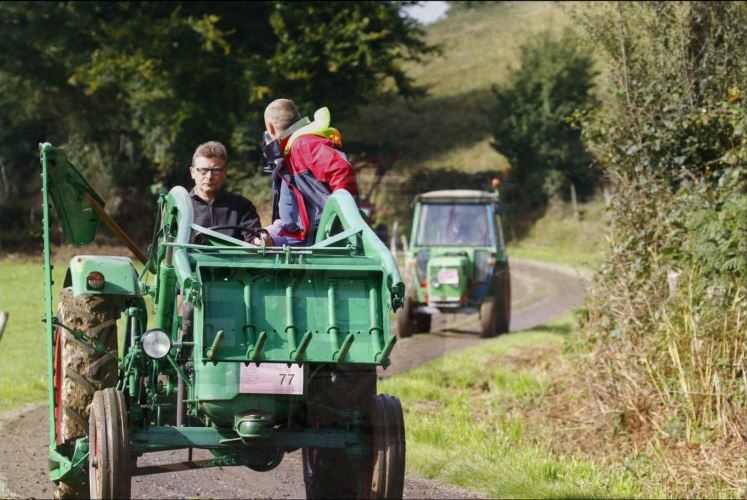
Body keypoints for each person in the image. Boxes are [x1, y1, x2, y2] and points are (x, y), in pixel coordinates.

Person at [260, 99, 357, 246]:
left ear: (270, 128)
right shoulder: (290, 151)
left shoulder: (303, 144)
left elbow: (342, 169)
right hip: (301, 237)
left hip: (323, 238)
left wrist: (342, 218)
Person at [188, 141, 269, 245]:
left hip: (233, 261)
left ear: (225, 173)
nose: (209, 176)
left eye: (216, 170)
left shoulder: (242, 206)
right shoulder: (180, 208)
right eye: (203, 170)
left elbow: (253, 236)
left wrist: (260, 240)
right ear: (192, 172)